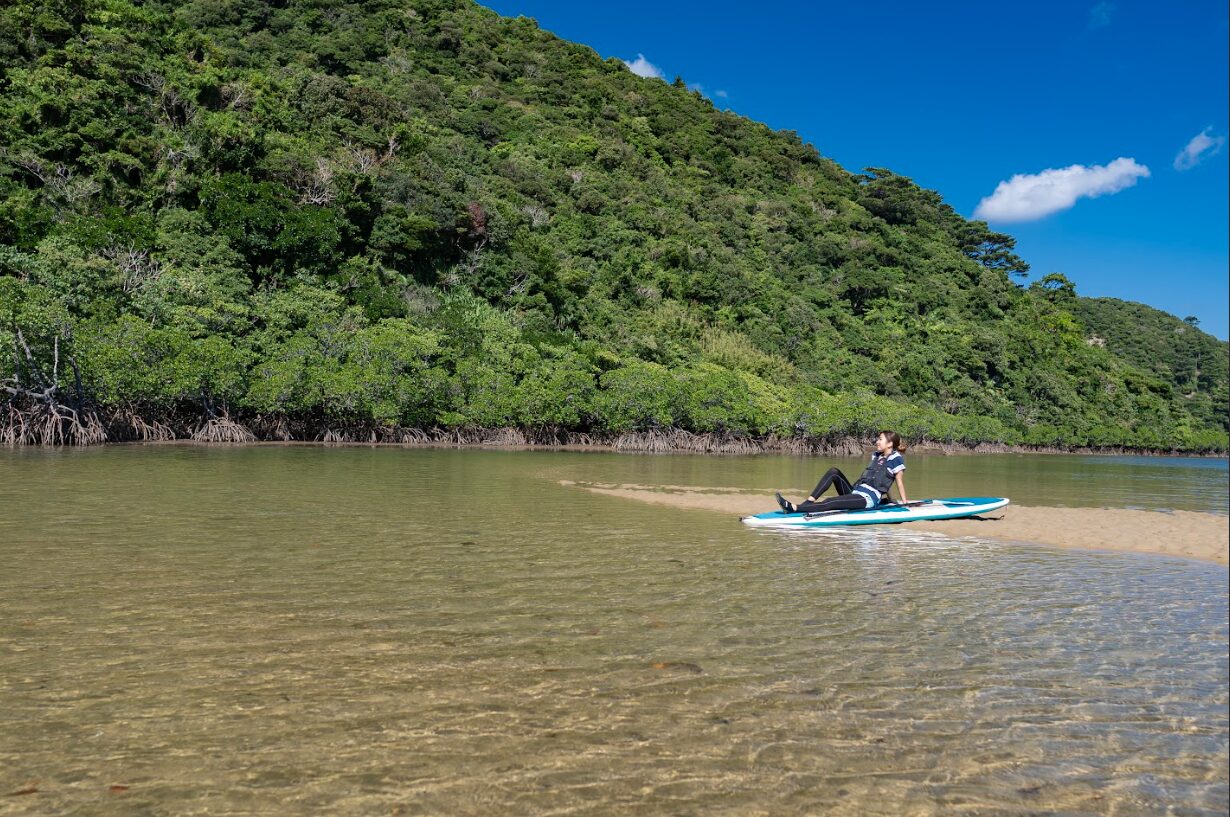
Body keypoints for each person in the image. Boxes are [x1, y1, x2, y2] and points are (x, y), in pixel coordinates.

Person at [776, 431, 908, 514]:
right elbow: (883, 479)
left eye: (880, 439)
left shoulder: (896, 459)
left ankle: (794, 508)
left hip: (867, 498)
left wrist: (904, 503)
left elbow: (898, 481)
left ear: (890, 443)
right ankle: (808, 503)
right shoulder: (876, 455)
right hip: (856, 492)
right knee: (834, 472)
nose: (877, 441)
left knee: (831, 501)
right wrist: (889, 500)